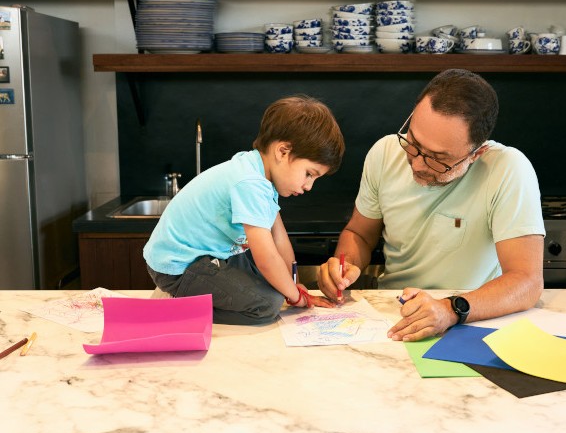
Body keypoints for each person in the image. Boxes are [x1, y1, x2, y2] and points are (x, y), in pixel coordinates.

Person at [318, 69, 545, 341]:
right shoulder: (384, 152)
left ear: (477, 153)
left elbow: (527, 281)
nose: (417, 164)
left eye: (438, 159)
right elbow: (359, 234)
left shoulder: (507, 169)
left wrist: (451, 309)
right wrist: (345, 267)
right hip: (394, 316)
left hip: (473, 320)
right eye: (413, 143)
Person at [144, 95, 345, 325]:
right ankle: (174, 311)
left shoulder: (259, 172)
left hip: (207, 256)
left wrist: (294, 283)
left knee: (277, 286)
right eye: (309, 174)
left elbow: (279, 239)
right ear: (282, 151)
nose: (308, 186)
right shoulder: (250, 182)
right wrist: (295, 296)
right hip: (179, 267)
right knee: (266, 305)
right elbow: (267, 259)